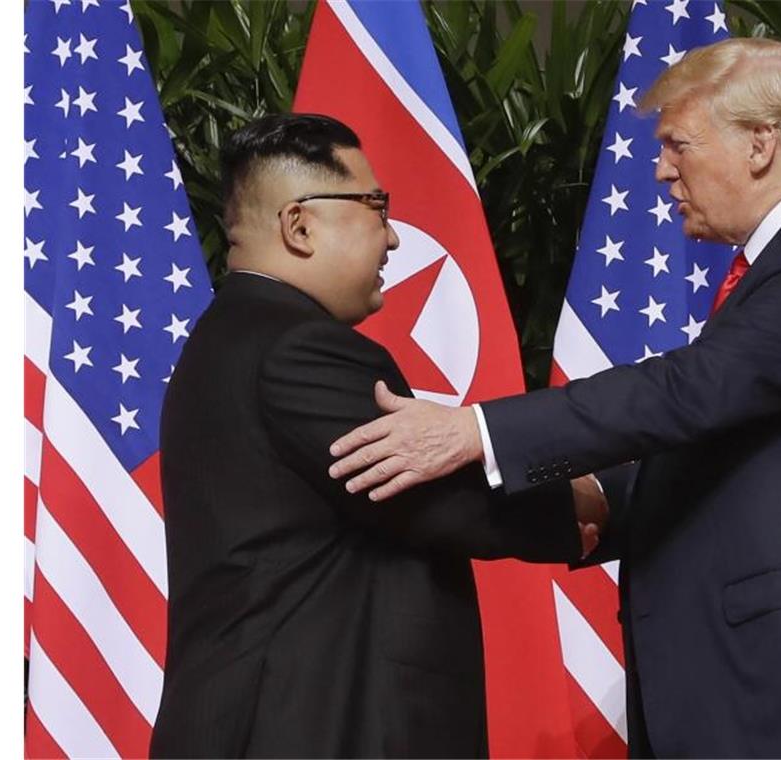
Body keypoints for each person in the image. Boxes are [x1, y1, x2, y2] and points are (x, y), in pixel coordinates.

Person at [327, 38, 781, 758]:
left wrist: (475, 430)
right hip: (762, 681)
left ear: (760, 144)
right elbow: (734, 441)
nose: (662, 170)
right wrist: (601, 497)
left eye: (678, 145)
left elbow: (689, 391)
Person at [149, 113, 604, 759]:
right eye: (375, 206)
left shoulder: (235, 336)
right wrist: (595, 504)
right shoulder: (296, 346)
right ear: (299, 225)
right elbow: (440, 500)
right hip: (307, 731)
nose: (392, 237)